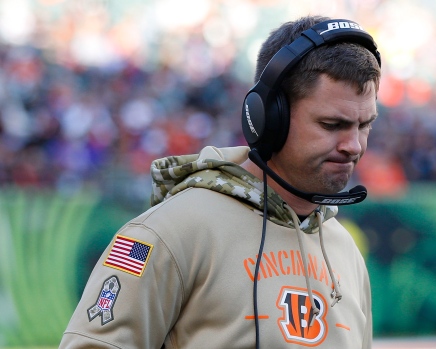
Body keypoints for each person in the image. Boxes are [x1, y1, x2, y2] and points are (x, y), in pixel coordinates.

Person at [60, 15, 381, 348]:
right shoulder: (168, 232)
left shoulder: (346, 252)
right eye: (331, 124)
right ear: (269, 118)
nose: (353, 146)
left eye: (364, 125)